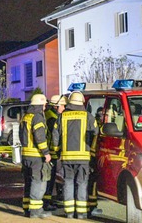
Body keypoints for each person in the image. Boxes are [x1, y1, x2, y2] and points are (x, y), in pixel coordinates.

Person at [51, 91, 98, 219]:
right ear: (82, 102)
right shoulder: (88, 116)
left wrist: (56, 150)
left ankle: (69, 213)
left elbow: (55, 135)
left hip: (67, 158)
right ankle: (82, 214)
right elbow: (96, 131)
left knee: (68, 183)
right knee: (82, 184)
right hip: (83, 158)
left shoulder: (62, 117)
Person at [19, 94, 52, 219]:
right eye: (44, 105)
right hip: (36, 156)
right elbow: (39, 137)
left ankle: (27, 208)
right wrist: (46, 153)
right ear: (39, 105)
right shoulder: (37, 117)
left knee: (28, 182)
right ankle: (36, 210)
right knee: (38, 182)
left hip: (26, 155)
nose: (45, 107)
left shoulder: (26, 116)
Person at [44, 94, 67, 211]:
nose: (64, 108)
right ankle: (46, 202)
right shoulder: (52, 118)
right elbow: (54, 136)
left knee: (52, 178)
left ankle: (48, 201)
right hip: (52, 152)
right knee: (50, 178)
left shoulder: (50, 115)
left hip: (50, 151)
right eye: (62, 106)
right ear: (55, 106)